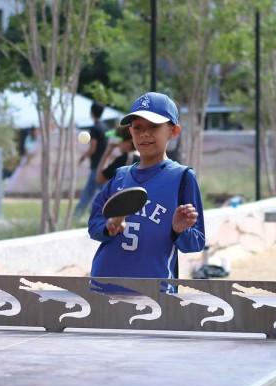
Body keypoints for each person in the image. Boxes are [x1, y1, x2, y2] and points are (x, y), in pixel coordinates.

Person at [88, 92, 205, 281]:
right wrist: (108, 227)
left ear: (173, 131)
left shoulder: (182, 177)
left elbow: (196, 242)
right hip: (105, 283)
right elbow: (94, 225)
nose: (144, 133)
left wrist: (179, 230)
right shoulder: (120, 176)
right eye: (137, 127)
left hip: (154, 290)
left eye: (154, 126)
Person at [74, 102, 108, 218]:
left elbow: (93, 148)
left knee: (88, 193)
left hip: (96, 167)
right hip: (104, 165)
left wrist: (82, 157)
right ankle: (101, 215)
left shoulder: (94, 129)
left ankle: (76, 217)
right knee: (103, 193)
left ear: (91, 112)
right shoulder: (104, 128)